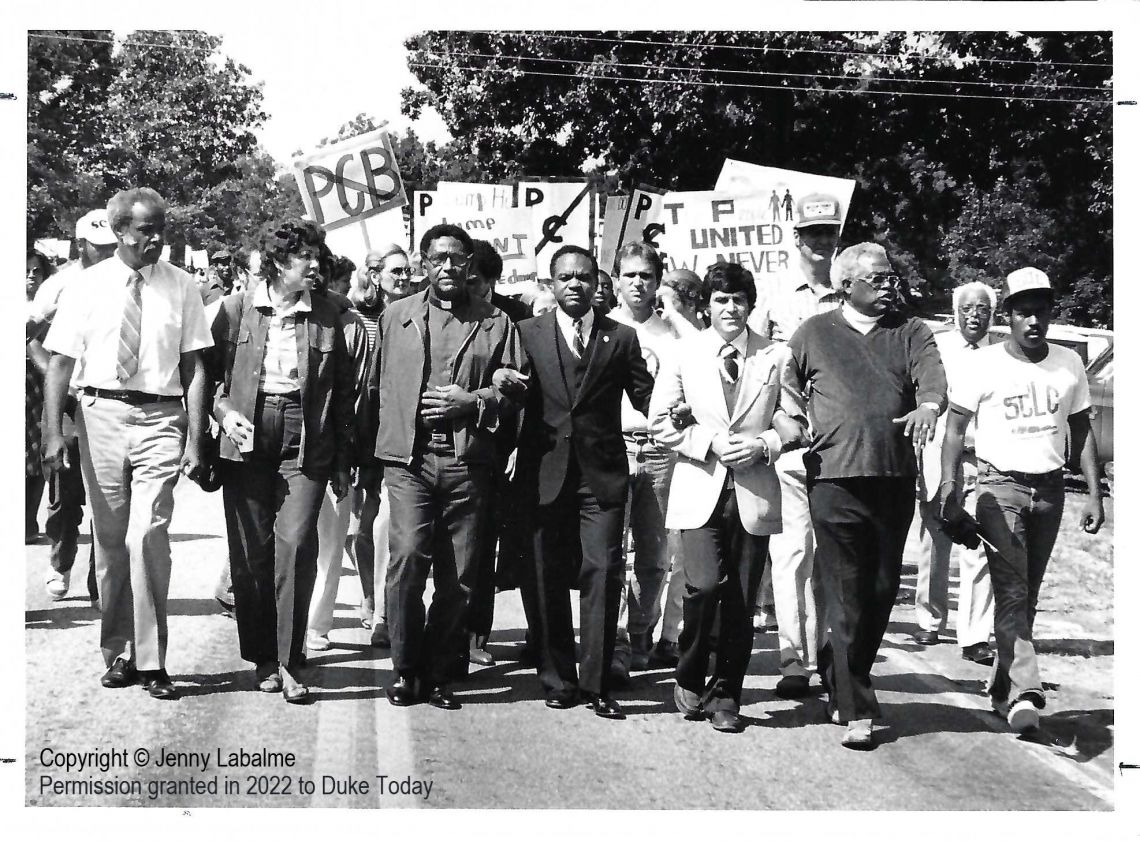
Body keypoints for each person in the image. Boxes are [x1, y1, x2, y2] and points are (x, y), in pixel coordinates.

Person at [41, 187, 213, 701]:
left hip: (161, 416)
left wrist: (196, 439)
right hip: (100, 416)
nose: (158, 238)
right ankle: (116, 653)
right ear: (119, 232)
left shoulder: (182, 286)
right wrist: (53, 432)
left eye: (162, 227)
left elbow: (196, 367)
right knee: (111, 543)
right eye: (146, 229)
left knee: (147, 534)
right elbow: (61, 364)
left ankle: (152, 658)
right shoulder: (86, 286)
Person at [787, 242, 946, 749]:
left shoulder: (911, 330)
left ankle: (838, 668)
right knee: (845, 592)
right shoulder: (813, 333)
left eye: (891, 276)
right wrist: (787, 427)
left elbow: (933, 380)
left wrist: (929, 407)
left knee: (879, 592)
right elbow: (785, 394)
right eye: (877, 278)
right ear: (847, 284)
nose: (888, 284)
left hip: (893, 478)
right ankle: (857, 706)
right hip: (833, 481)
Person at [937, 267, 1103, 734]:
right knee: (1010, 590)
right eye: (1023, 312)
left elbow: (1082, 427)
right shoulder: (982, 364)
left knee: (1026, 596)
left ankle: (1001, 691)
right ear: (1007, 316)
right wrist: (950, 492)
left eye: (1042, 312)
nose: (1034, 322)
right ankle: (1029, 689)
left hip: (1049, 490)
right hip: (996, 488)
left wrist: (1093, 494)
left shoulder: (1069, 364)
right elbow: (953, 430)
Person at [370, 224, 524, 710]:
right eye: (439, 258)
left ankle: (439, 673)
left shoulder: (496, 323)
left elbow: (517, 390)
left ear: (469, 262)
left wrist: (473, 401)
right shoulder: (397, 316)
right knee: (409, 560)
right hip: (410, 462)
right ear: (424, 262)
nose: (449, 267)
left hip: (467, 462)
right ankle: (406, 668)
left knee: (458, 576)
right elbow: (374, 390)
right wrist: (362, 464)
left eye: (458, 258)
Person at [502, 244, 654, 720]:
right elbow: (506, 389)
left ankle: (597, 681)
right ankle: (557, 678)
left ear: (597, 285)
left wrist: (681, 413)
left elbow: (648, 396)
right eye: (565, 277)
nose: (575, 285)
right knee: (545, 574)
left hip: (601, 477)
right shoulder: (526, 333)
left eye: (584, 277)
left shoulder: (622, 337)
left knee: (603, 572)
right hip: (542, 473)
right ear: (551, 283)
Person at [649, 262, 800, 733]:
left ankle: (726, 696)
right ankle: (689, 670)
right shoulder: (684, 353)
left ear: (750, 305)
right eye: (719, 300)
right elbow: (659, 422)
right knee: (705, 586)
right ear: (705, 306)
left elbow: (796, 421)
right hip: (700, 486)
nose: (729, 308)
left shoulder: (775, 356)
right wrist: (705, 442)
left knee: (740, 599)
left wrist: (765, 445)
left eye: (737, 299)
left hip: (753, 491)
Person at [208, 220, 354, 703]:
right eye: (303, 257)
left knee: (294, 543)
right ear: (275, 262)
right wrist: (225, 414)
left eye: (317, 255)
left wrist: (343, 459)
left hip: (307, 439)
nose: (315, 265)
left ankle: (290, 660)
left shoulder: (334, 313)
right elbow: (207, 380)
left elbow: (347, 393)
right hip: (247, 433)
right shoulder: (233, 310)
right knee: (251, 552)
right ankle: (263, 658)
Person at [746, 193, 845, 700]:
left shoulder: (853, 295)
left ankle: (827, 650)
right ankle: (792, 658)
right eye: (814, 234)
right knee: (790, 553)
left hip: (843, 450)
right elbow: (754, 365)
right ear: (797, 237)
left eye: (830, 232)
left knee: (833, 558)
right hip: (792, 446)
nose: (823, 242)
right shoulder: (775, 298)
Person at [29, 211, 118, 603]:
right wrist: (58, 383)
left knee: (109, 491)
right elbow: (29, 338)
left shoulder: (124, 280)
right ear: (81, 245)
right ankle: (60, 562)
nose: (107, 254)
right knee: (66, 491)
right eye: (99, 248)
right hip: (68, 401)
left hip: (107, 399)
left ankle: (103, 581)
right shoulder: (59, 285)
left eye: (112, 247)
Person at [606, 241, 682, 680]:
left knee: (655, 555)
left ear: (657, 282)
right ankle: (614, 640)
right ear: (617, 280)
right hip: (612, 448)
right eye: (630, 274)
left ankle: (640, 632)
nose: (638, 282)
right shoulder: (604, 328)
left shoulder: (672, 333)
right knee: (613, 550)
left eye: (647, 276)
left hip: (659, 449)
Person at [914, 282, 998, 660]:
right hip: (938, 455)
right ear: (955, 312)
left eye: (981, 309)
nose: (974, 316)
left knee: (978, 543)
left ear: (992, 314)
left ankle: (975, 635)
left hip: (984, 457)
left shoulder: (1001, 354)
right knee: (935, 539)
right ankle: (930, 621)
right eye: (966, 309)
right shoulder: (939, 347)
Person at [462, 239, 534, 670]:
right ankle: (455, 631)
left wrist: (519, 446)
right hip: (460, 446)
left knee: (492, 545)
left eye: (475, 282)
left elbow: (530, 392)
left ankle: (478, 633)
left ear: (492, 281)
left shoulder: (517, 319)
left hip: (507, 449)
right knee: (464, 547)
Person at [304, 245, 371, 654]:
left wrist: (348, 455)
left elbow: (359, 394)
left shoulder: (349, 323)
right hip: (285, 445)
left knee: (330, 539)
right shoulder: (267, 313)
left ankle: (316, 624)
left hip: (333, 448)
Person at [352, 244, 414, 645]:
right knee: (364, 522)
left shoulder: (419, 313)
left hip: (400, 430)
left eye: (408, 270)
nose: (403, 277)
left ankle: (384, 611)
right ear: (375, 276)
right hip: (366, 427)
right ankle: (370, 594)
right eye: (395, 271)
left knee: (388, 523)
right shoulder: (360, 318)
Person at [26, 251, 55, 542]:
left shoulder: (48, 307)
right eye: (26, 271)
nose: (31, 277)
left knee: (35, 452)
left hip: (39, 382)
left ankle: (27, 521)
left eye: (37, 271)